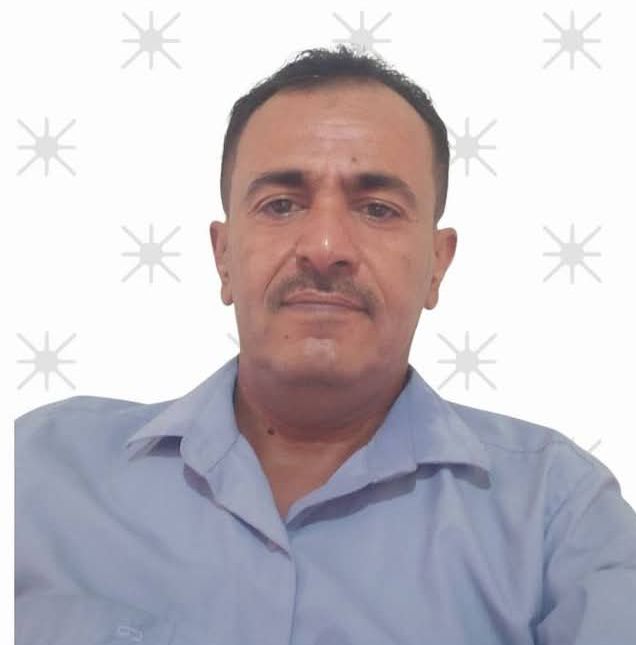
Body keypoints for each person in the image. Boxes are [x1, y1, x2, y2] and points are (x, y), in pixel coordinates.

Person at [15, 45, 636, 645]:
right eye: (281, 204)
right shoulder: (35, 472)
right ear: (223, 257)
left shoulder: (558, 517)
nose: (324, 246)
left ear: (437, 265)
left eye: (378, 209)